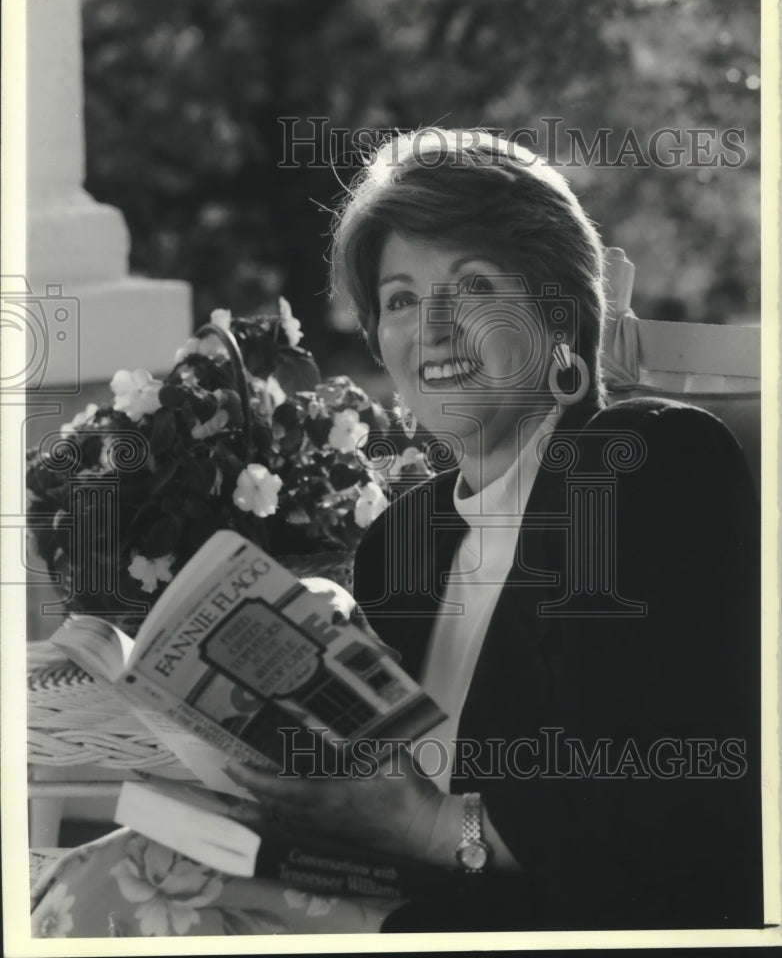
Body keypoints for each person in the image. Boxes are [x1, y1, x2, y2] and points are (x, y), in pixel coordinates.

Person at [30, 129, 763, 936]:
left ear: (563, 318)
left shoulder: (646, 460)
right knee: (110, 866)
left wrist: (433, 827)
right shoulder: (408, 534)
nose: (434, 327)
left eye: (474, 286)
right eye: (403, 299)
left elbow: (676, 813)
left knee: (106, 894)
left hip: (564, 931)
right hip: (382, 897)